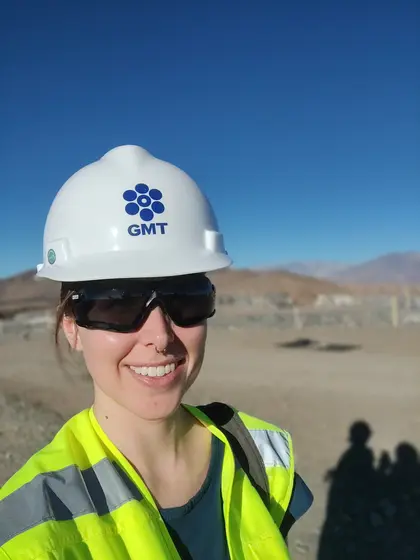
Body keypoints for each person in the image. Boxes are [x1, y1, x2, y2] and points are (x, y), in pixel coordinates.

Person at [0, 145, 313, 559]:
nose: (160, 336)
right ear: (72, 327)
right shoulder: (30, 520)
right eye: (118, 303)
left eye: (186, 298)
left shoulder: (260, 458)